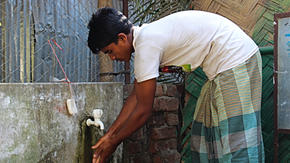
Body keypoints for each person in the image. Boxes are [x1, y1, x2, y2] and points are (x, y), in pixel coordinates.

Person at [87, 7, 265, 163]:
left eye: (110, 51)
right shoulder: (145, 39)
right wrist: (110, 135)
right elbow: (136, 95)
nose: (112, 58)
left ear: (122, 38)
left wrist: (114, 142)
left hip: (235, 61)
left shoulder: (146, 44)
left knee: (237, 141)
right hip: (221, 69)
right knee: (207, 136)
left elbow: (143, 110)